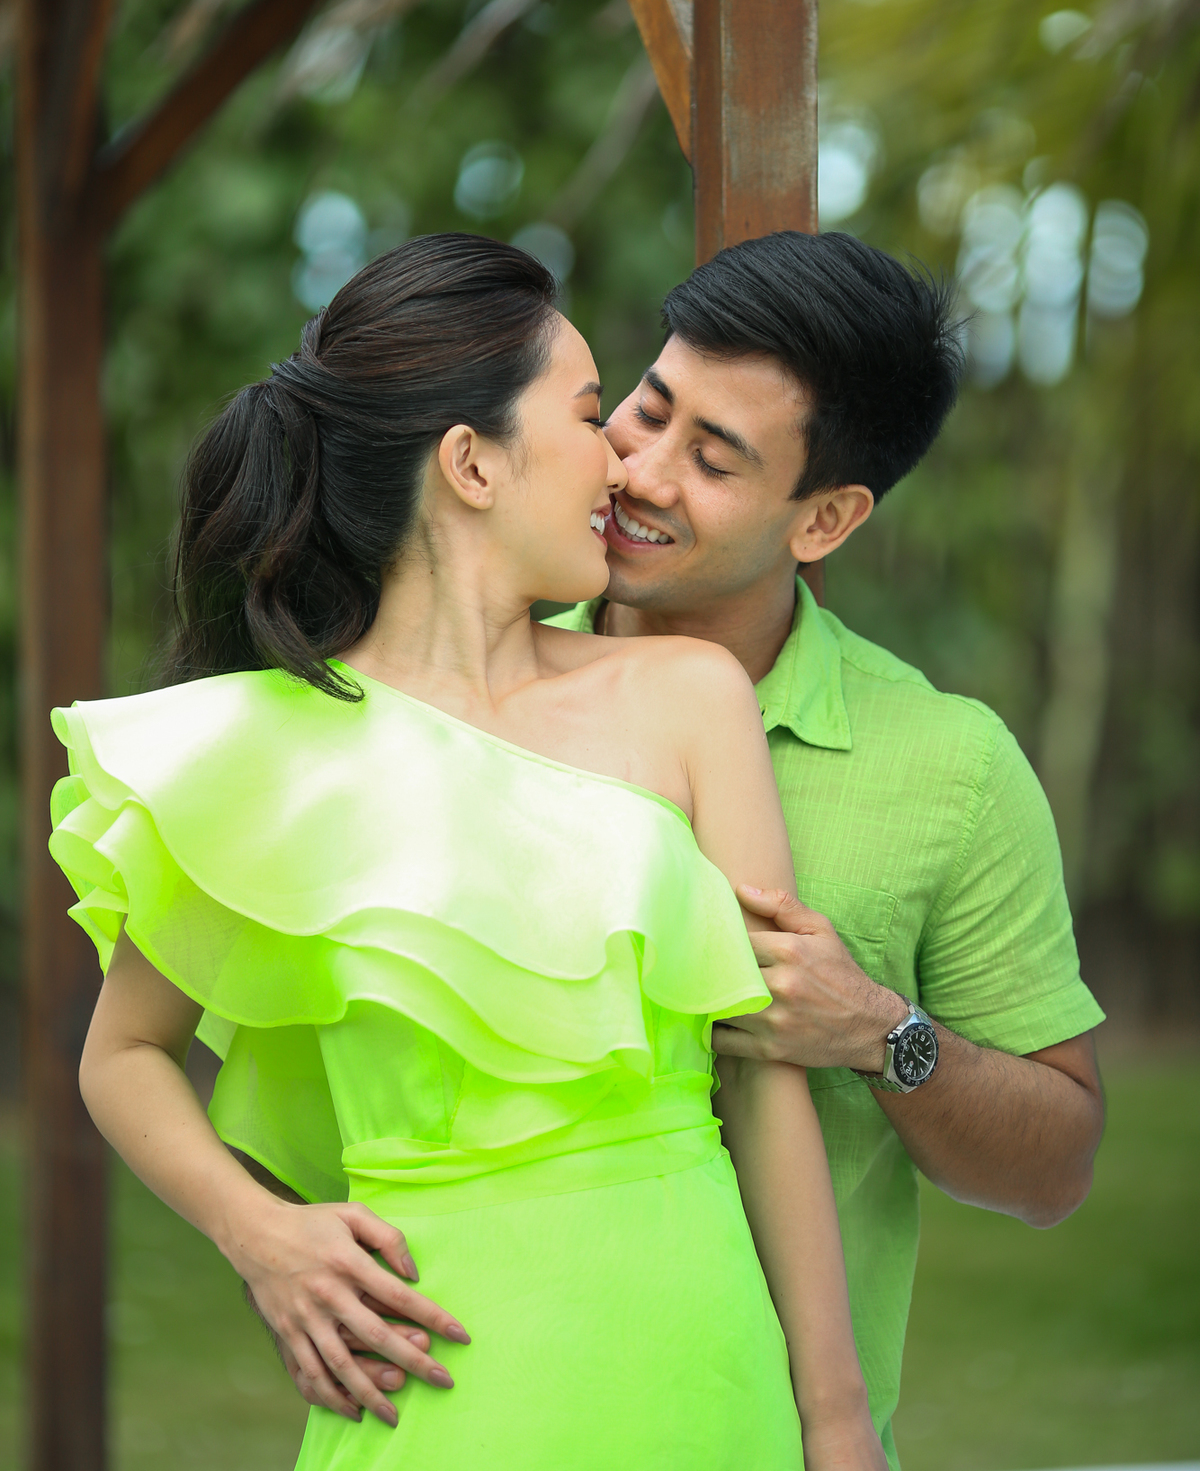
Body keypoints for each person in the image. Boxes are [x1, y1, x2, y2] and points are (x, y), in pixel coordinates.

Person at [51, 237, 886, 1471]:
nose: (623, 462)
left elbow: (767, 1085)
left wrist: (836, 1418)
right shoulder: (269, 749)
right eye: (593, 415)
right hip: (436, 1387)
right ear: (472, 461)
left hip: (704, 1373)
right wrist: (258, 1234)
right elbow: (122, 1054)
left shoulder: (692, 697)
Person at [310, 229, 1106, 1467]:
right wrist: (269, 1233)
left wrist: (882, 1032)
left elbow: (1055, 1164)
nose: (640, 469)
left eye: (714, 457)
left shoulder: (953, 769)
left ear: (825, 518)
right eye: (646, 407)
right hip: (470, 1412)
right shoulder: (445, 690)